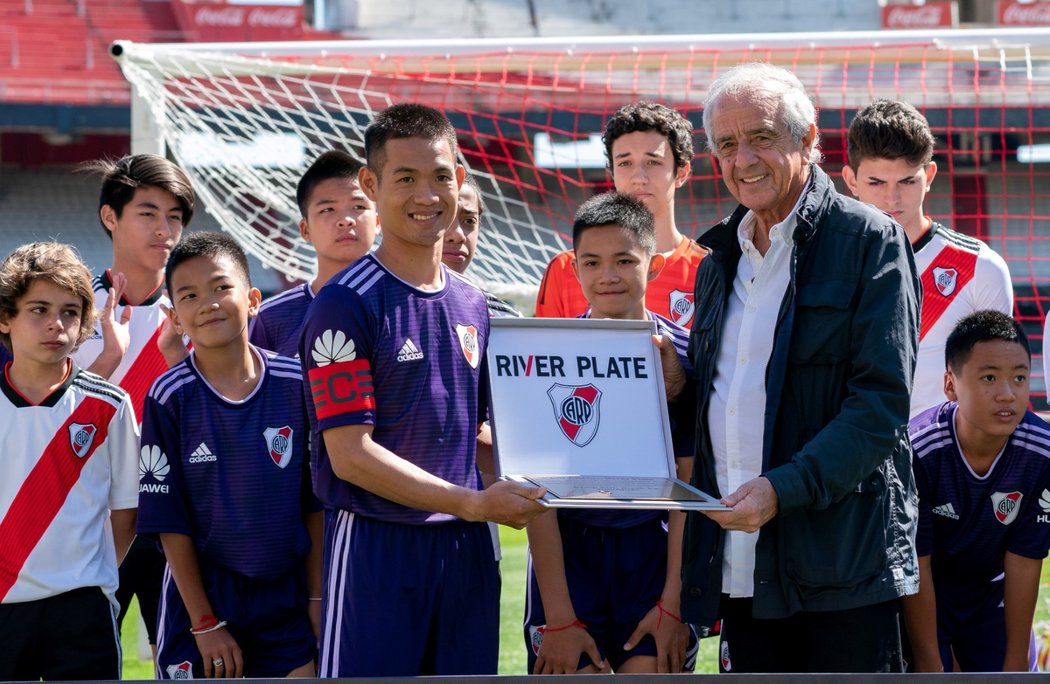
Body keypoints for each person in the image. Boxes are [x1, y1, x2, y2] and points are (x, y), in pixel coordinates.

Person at [680, 63, 921, 673]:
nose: (744, 159)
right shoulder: (718, 261)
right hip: (744, 570)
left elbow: (879, 409)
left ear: (808, 138)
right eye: (727, 145)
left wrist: (779, 491)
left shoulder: (870, 240)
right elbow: (718, 402)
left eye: (761, 136)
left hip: (842, 569)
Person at [299, 102, 547, 677]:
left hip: (466, 553)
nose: (426, 194)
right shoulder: (345, 304)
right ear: (371, 184)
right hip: (376, 547)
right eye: (405, 178)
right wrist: (471, 501)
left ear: (460, 180)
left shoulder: (476, 304)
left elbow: (483, 435)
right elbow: (349, 455)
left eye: (440, 176)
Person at [524, 192, 698, 675]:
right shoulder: (548, 357)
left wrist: (672, 601)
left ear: (655, 265)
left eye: (625, 260)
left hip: (651, 554)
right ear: (573, 267)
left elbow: (690, 485)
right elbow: (538, 490)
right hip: (569, 556)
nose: (608, 276)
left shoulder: (684, 358)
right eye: (592, 263)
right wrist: (558, 616)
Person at [137, 232, 321, 679]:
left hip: (286, 598)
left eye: (221, 287)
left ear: (253, 299)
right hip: (202, 600)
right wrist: (204, 623)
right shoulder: (168, 396)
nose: (208, 303)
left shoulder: (297, 384)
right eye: (190, 295)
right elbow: (168, 521)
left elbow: (315, 503)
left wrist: (317, 599)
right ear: (176, 317)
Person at [0, 242, 139, 680]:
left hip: (83, 610)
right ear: (6, 317)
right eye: (38, 309)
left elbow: (127, 510)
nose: (55, 324)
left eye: (70, 312)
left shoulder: (110, 405)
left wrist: (92, 575)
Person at [77, 153, 196, 657]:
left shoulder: (204, 311)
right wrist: (108, 360)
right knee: (87, 664)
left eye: (174, 217)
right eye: (148, 213)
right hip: (91, 518)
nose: (164, 230)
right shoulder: (68, 312)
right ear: (111, 217)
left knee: (185, 662)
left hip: (179, 516)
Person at [842, 99, 1013, 419]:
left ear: (930, 174)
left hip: (943, 462)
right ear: (851, 181)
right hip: (853, 460)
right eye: (876, 182)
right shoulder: (824, 266)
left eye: (908, 181)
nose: (892, 198)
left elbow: (998, 387)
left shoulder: (978, 268)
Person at [905, 310, 1050, 672]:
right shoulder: (917, 453)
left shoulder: (1041, 453)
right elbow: (916, 565)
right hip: (925, 590)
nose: (1007, 394)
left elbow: (1024, 558)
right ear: (950, 385)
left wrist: (1015, 662)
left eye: (1019, 378)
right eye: (989, 377)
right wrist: (929, 663)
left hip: (991, 593)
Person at [535, 101, 706, 325]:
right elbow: (544, 355)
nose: (638, 177)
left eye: (653, 162)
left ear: (682, 173)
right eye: (625, 163)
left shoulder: (707, 269)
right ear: (613, 172)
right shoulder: (565, 269)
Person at [250, 150, 379, 357]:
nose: (346, 220)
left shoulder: (406, 301)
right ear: (305, 229)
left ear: (378, 222)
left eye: (358, 206)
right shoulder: (272, 317)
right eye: (328, 209)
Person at [441, 173, 522, 318]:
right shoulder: (388, 307)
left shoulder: (505, 319)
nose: (458, 235)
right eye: (443, 217)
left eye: (469, 221)